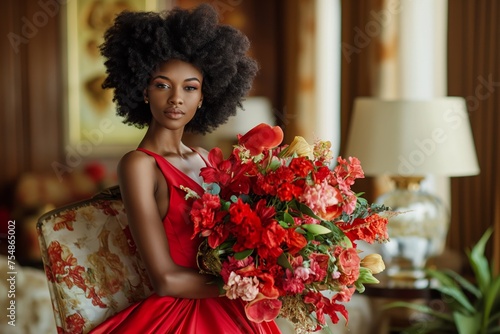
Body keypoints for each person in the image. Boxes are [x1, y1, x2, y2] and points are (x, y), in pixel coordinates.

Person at [89, 4, 281, 334]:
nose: (177, 98)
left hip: (234, 304)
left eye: (190, 87)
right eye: (162, 85)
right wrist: (243, 285)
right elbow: (164, 279)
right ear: (143, 91)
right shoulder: (138, 165)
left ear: (205, 97)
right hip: (181, 315)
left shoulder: (207, 158)